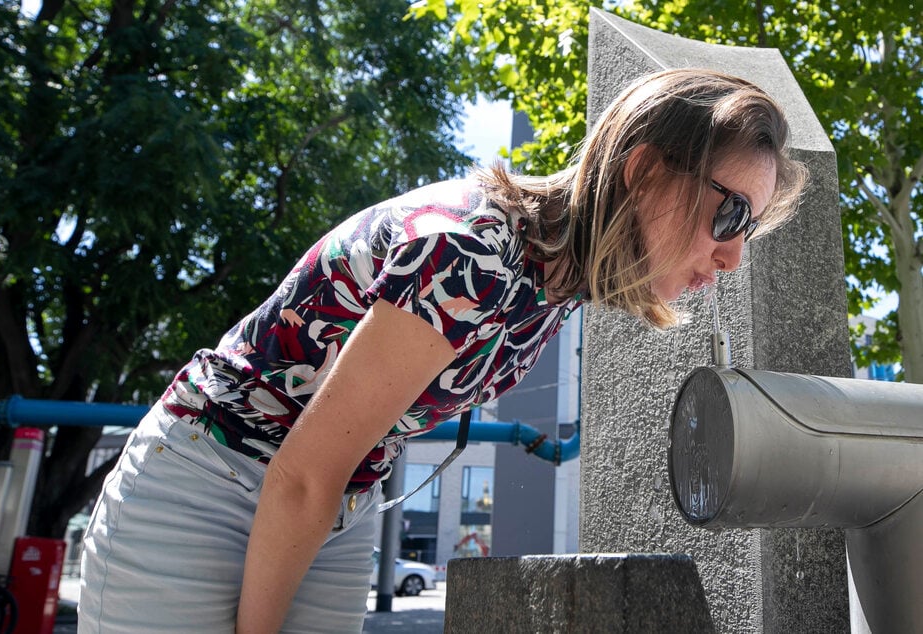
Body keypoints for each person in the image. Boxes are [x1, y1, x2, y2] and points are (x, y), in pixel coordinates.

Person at [78, 68, 806, 633]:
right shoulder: (470, 255)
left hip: (329, 507)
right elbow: (303, 471)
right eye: (728, 212)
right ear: (644, 171)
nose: (733, 256)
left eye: (751, 225)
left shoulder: (549, 280)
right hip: (211, 480)